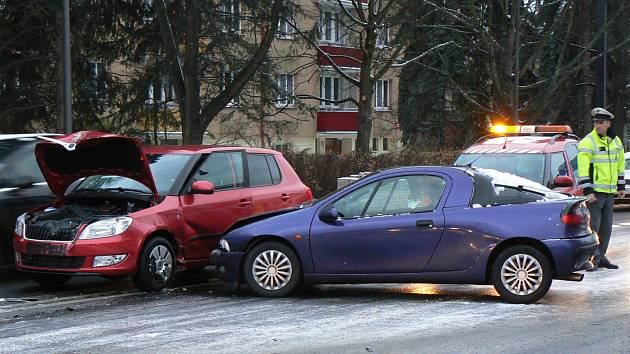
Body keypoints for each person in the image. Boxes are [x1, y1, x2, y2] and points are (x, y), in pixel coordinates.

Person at [577, 107, 625, 270]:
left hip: (609, 192)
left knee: (606, 227)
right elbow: (583, 168)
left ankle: (601, 256)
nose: (598, 125)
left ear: (608, 123)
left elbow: (620, 164)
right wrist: (588, 191)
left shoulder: (615, 141)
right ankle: (592, 259)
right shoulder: (588, 141)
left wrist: (620, 185)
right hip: (596, 193)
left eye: (601, 122)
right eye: (596, 122)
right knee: (594, 227)